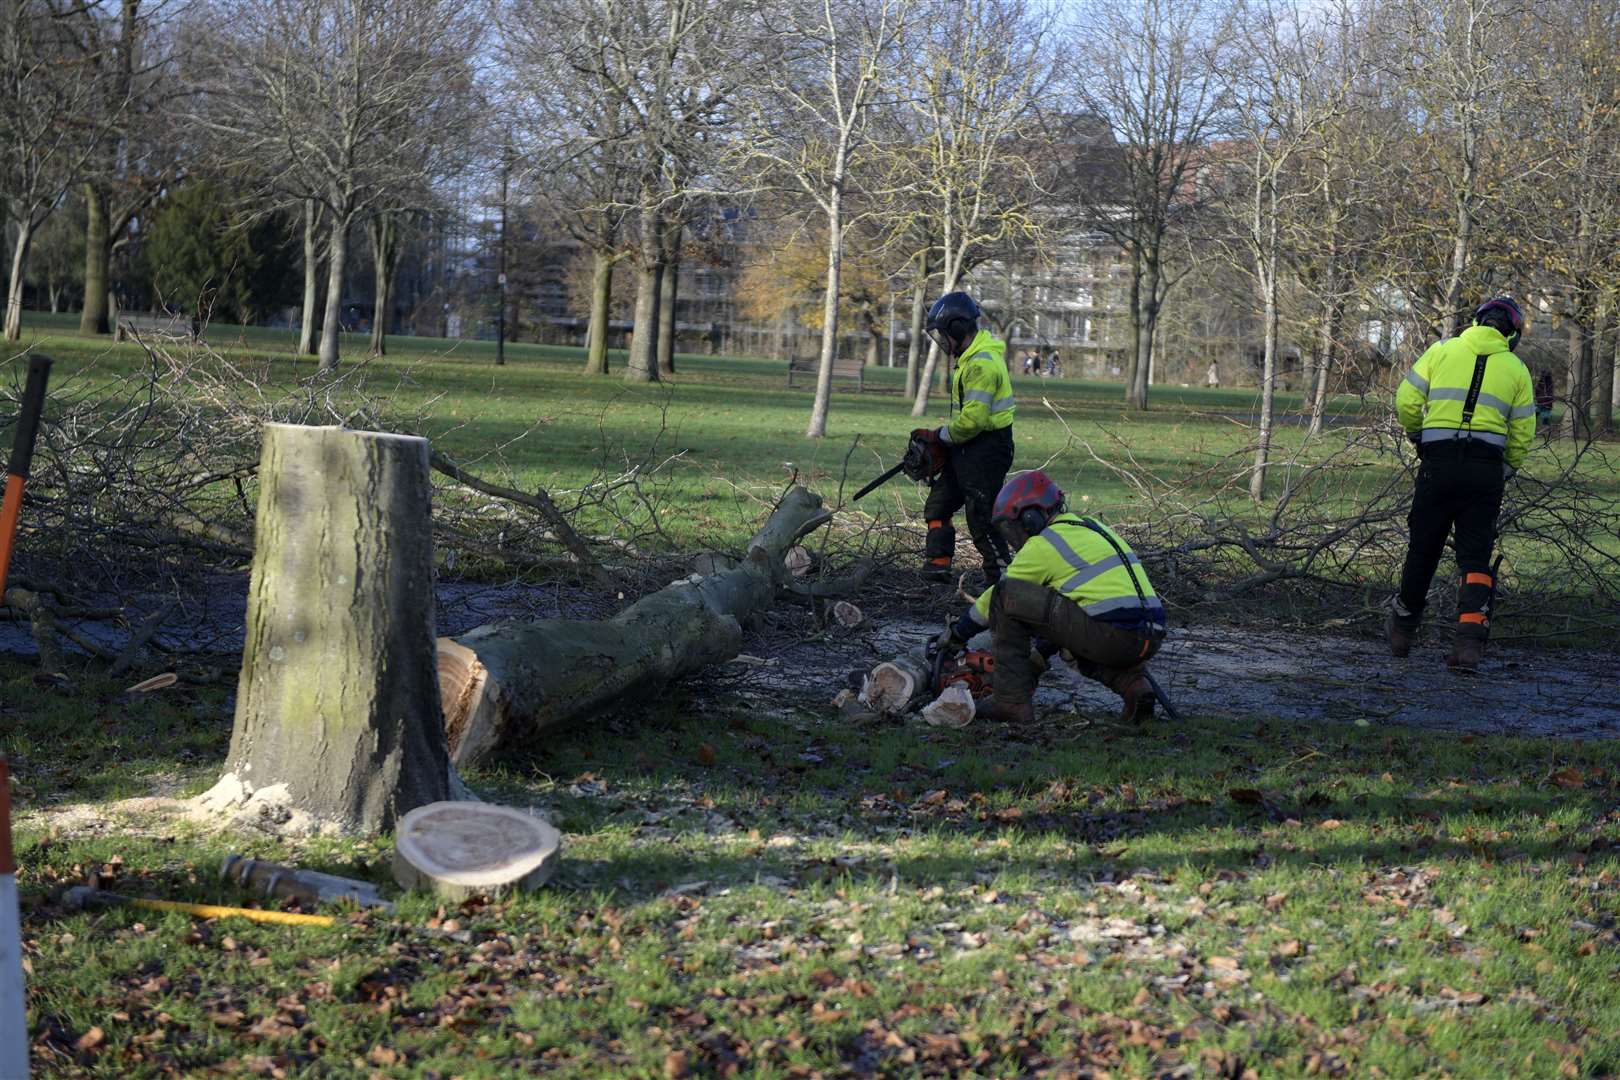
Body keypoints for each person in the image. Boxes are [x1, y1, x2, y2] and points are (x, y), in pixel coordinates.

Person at [935, 470, 1167, 724]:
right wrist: (1041, 653)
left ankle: (1010, 702)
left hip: (1111, 635)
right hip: (1148, 637)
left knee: (1005, 596)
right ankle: (1135, 687)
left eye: (1012, 527)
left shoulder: (1045, 543)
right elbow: (1077, 605)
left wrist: (959, 632)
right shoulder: (1093, 527)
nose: (1013, 537)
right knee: (1077, 634)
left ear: (1031, 516)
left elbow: (999, 595)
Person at [1389, 296, 1536, 672]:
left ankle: (1402, 632)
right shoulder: (1517, 370)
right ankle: (1468, 645)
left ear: (1477, 321)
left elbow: (1406, 398)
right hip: (1484, 470)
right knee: (1474, 559)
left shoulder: (1441, 350)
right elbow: (1522, 432)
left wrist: (1418, 436)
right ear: (1512, 335)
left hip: (1437, 463)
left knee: (1423, 549)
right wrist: (1507, 467)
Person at [913, 291, 1016, 583]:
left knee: (981, 513)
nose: (943, 342)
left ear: (958, 328)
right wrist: (947, 439)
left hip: (988, 447)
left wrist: (939, 436)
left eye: (944, 334)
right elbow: (969, 420)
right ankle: (938, 563)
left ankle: (1000, 577)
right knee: (939, 504)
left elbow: (974, 420)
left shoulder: (981, 364)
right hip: (969, 444)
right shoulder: (970, 358)